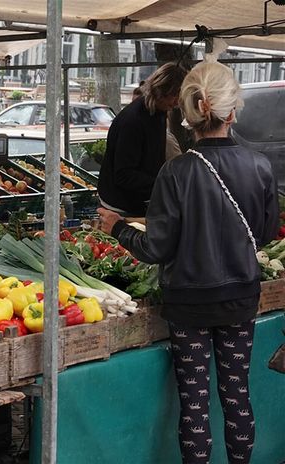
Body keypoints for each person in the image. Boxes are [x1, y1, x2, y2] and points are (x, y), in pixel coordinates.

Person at [97, 60, 279, 464]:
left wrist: (117, 229)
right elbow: (264, 235)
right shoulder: (261, 167)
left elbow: (155, 248)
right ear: (232, 112)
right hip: (239, 300)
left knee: (193, 405)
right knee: (237, 396)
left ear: (187, 112)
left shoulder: (175, 172)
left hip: (187, 306)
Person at [97, 63, 187, 217]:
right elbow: (124, 174)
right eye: (175, 96)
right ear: (162, 91)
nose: (177, 102)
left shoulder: (158, 112)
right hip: (120, 205)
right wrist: (162, 184)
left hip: (140, 200)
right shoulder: (133, 121)